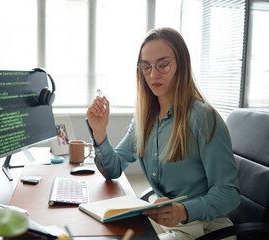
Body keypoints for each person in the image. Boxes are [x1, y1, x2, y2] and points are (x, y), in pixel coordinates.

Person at [86, 27, 240, 240]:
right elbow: (113, 168)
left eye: (163, 65)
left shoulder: (203, 117)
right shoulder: (145, 117)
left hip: (205, 229)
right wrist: (100, 132)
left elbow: (229, 193)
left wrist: (183, 211)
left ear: (181, 65)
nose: (153, 75)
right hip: (164, 224)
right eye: (146, 67)